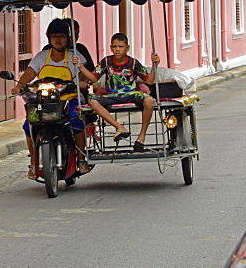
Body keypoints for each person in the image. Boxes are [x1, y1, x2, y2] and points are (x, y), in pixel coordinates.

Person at [12, 18, 91, 180]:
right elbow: (29, 73)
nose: (58, 39)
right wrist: (19, 85)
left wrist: (83, 81)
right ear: (49, 37)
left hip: (70, 97)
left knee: (76, 119)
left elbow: (84, 72)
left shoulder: (75, 55)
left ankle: (81, 159)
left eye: (61, 36)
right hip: (46, 101)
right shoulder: (42, 56)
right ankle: (34, 163)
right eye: (54, 36)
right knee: (29, 125)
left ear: (67, 38)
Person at [76, 32, 160, 151]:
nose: (117, 50)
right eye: (115, 47)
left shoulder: (133, 63)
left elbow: (150, 81)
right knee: (93, 102)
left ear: (127, 48)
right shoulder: (106, 62)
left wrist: (154, 65)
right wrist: (80, 67)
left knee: (150, 101)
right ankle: (119, 127)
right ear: (111, 47)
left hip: (131, 94)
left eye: (120, 47)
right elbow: (94, 78)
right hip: (112, 95)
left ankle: (142, 136)